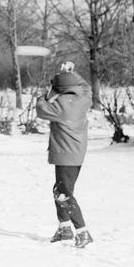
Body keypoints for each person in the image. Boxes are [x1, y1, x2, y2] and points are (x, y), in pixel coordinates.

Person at [35, 61, 94, 249]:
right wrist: (71, 73)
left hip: (64, 154)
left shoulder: (60, 106)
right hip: (77, 153)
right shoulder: (84, 99)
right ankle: (64, 228)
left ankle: (82, 232)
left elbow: (40, 107)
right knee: (60, 190)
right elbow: (85, 86)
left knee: (63, 193)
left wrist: (49, 91)